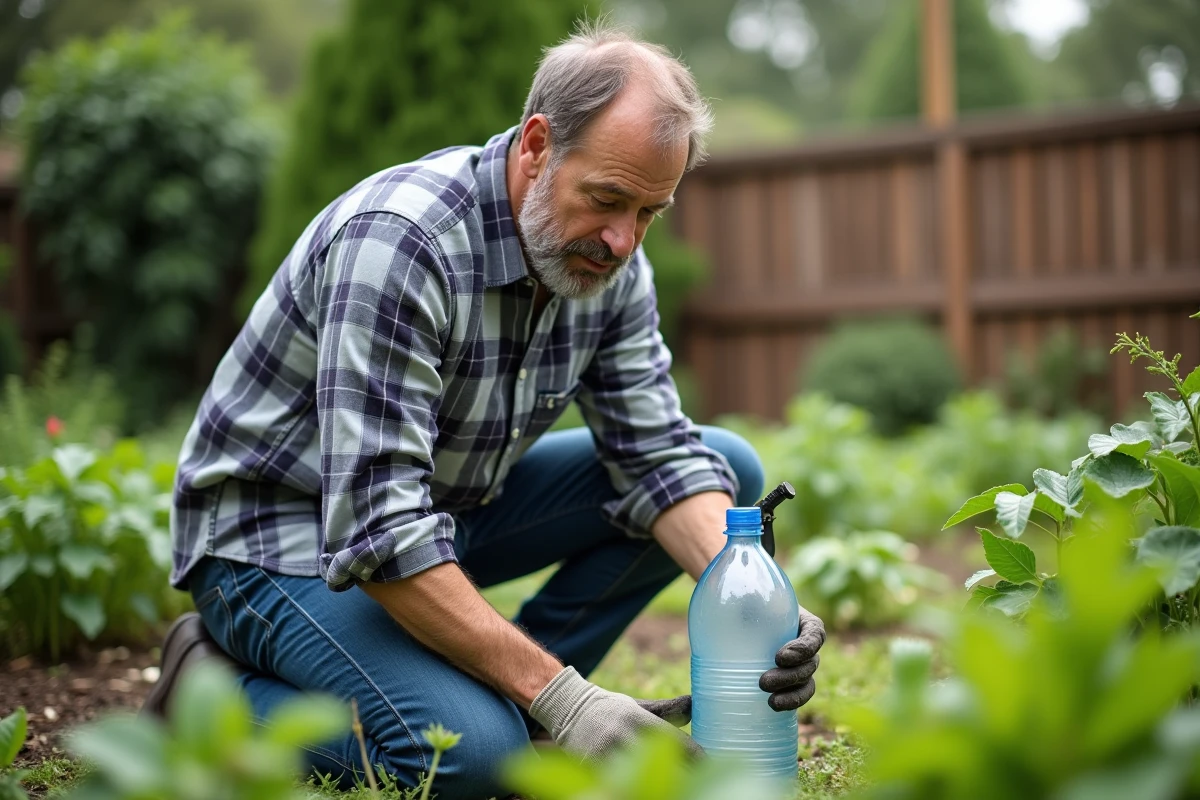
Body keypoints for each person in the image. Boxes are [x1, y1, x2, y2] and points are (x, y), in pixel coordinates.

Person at [144, 20, 825, 800]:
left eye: (649, 213)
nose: (623, 241)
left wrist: (756, 602)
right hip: (273, 538)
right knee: (470, 759)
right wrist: (568, 697)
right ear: (537, 146)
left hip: (440, 511)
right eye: (607, 200)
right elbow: (380, 528)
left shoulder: (602, 259)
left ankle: (517, 700)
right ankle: (206, 689)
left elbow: (658, 458)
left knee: (722, 468)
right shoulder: (401, 244)